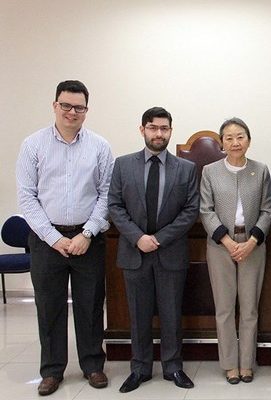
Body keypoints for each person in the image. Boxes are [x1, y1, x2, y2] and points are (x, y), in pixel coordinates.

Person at [16, 80, 112, 396]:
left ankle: (93, 366)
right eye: (66, 105)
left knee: (90, 305)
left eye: (79, 107)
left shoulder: (99, 146)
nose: (72, 112)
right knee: (50, 306)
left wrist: (87, 233)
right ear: (55, 105)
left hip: (89, 239)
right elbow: (27, 197)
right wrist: (54, 238)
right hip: (46, 241)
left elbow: (106, 194)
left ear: (87, 109)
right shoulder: (33, 145)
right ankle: (52, 371)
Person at [108, 107, 199, 393]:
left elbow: (190, 211)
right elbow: (115, 206)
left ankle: (173, 367)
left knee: (172, 314)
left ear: (171, 131)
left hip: (170, 252)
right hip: (134, 253)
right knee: (138, 314)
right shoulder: (122, 165)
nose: (158, 133)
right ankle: (140, 368)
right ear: (142, 130)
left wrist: (158, 238)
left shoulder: (186, 168)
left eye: (164, 128)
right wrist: (138, 238)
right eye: (153, 127)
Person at [200, 118, 271, 384]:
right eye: (229, 138)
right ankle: (230, 364)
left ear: (249, 140)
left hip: (253, 245)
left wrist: (252, 241)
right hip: (220, 246)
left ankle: (246, 363)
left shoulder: (260, 170)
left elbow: (267, 210)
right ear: (222, 143)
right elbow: (205, 211)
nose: (235, 142)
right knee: (225, 308)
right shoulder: (210, 171)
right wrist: (228, 242)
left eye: (240, 136)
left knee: (250, 308)